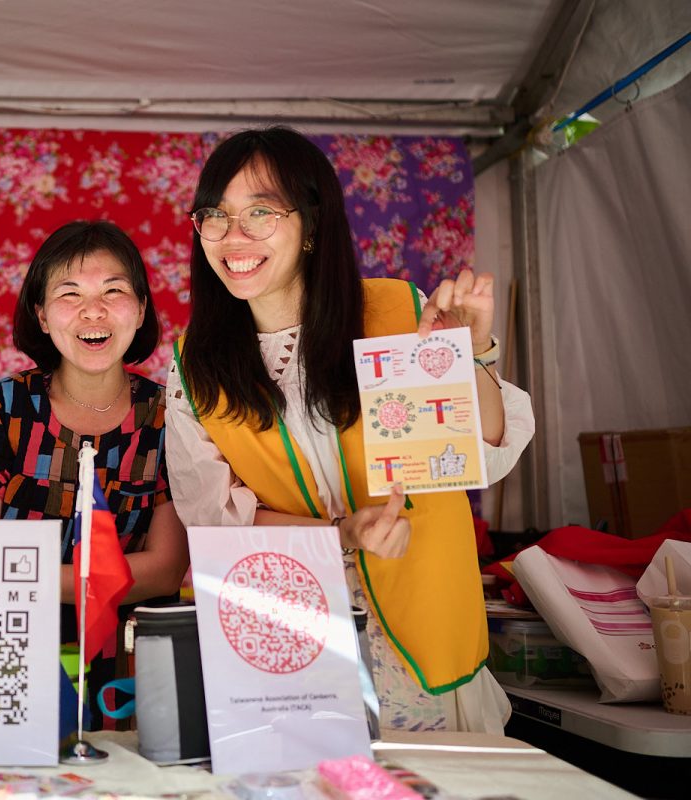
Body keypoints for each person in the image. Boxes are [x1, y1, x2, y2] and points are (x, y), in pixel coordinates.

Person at [166, 127, 536, 733]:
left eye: (261, 212)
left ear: (312, 226)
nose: (234, 237)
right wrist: (344, 533)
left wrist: (472, 353)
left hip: (424, 638)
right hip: (291, 641)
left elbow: (480, 451)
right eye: (216, 215)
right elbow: (215, 516)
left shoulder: (397, 311)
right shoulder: (194, 364)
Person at [0, 220, 189, 727]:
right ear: (40, 315)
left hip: (133, 672)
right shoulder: (3, 407)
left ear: (142, 309)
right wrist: (91, 583)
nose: (94, 310)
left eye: (114, 290)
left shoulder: (169, 415)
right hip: (8, 657)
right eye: (70, 293)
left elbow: (166, 569)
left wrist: (23, 578)